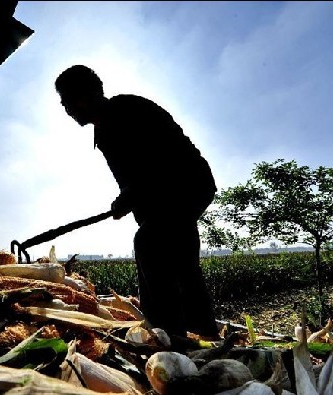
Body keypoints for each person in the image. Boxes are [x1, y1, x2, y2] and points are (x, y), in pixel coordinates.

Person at [54, 65, 220, 340]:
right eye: (64, 103)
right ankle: (197, 333)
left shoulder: (127, 111)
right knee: (174, 256)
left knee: (151, 242)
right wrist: (127, 201)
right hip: (163, 199)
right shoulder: (103, 133)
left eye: (71, 99)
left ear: (93, 92)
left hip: (186, 184)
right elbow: (136, 182)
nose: (68, 108)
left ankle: (172, 337)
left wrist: (127, 199)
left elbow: (160, 162)